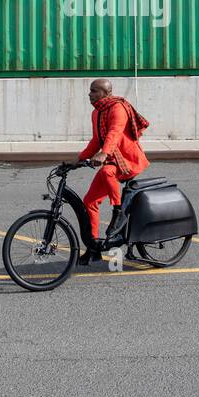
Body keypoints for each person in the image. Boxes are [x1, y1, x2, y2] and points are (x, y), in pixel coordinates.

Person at [75, 78, 150, 265]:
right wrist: (78, 159)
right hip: (111, 159)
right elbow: (96, 140)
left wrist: (104, 153)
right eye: (90, 91)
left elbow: (114, 134)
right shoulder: (96, 113)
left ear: (107, 93)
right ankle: (93, 249)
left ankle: (118, 211)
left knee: (107, 171)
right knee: (89, 201)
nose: (90, 94)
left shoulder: (118, 108)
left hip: (127, 160)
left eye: (94, 91)